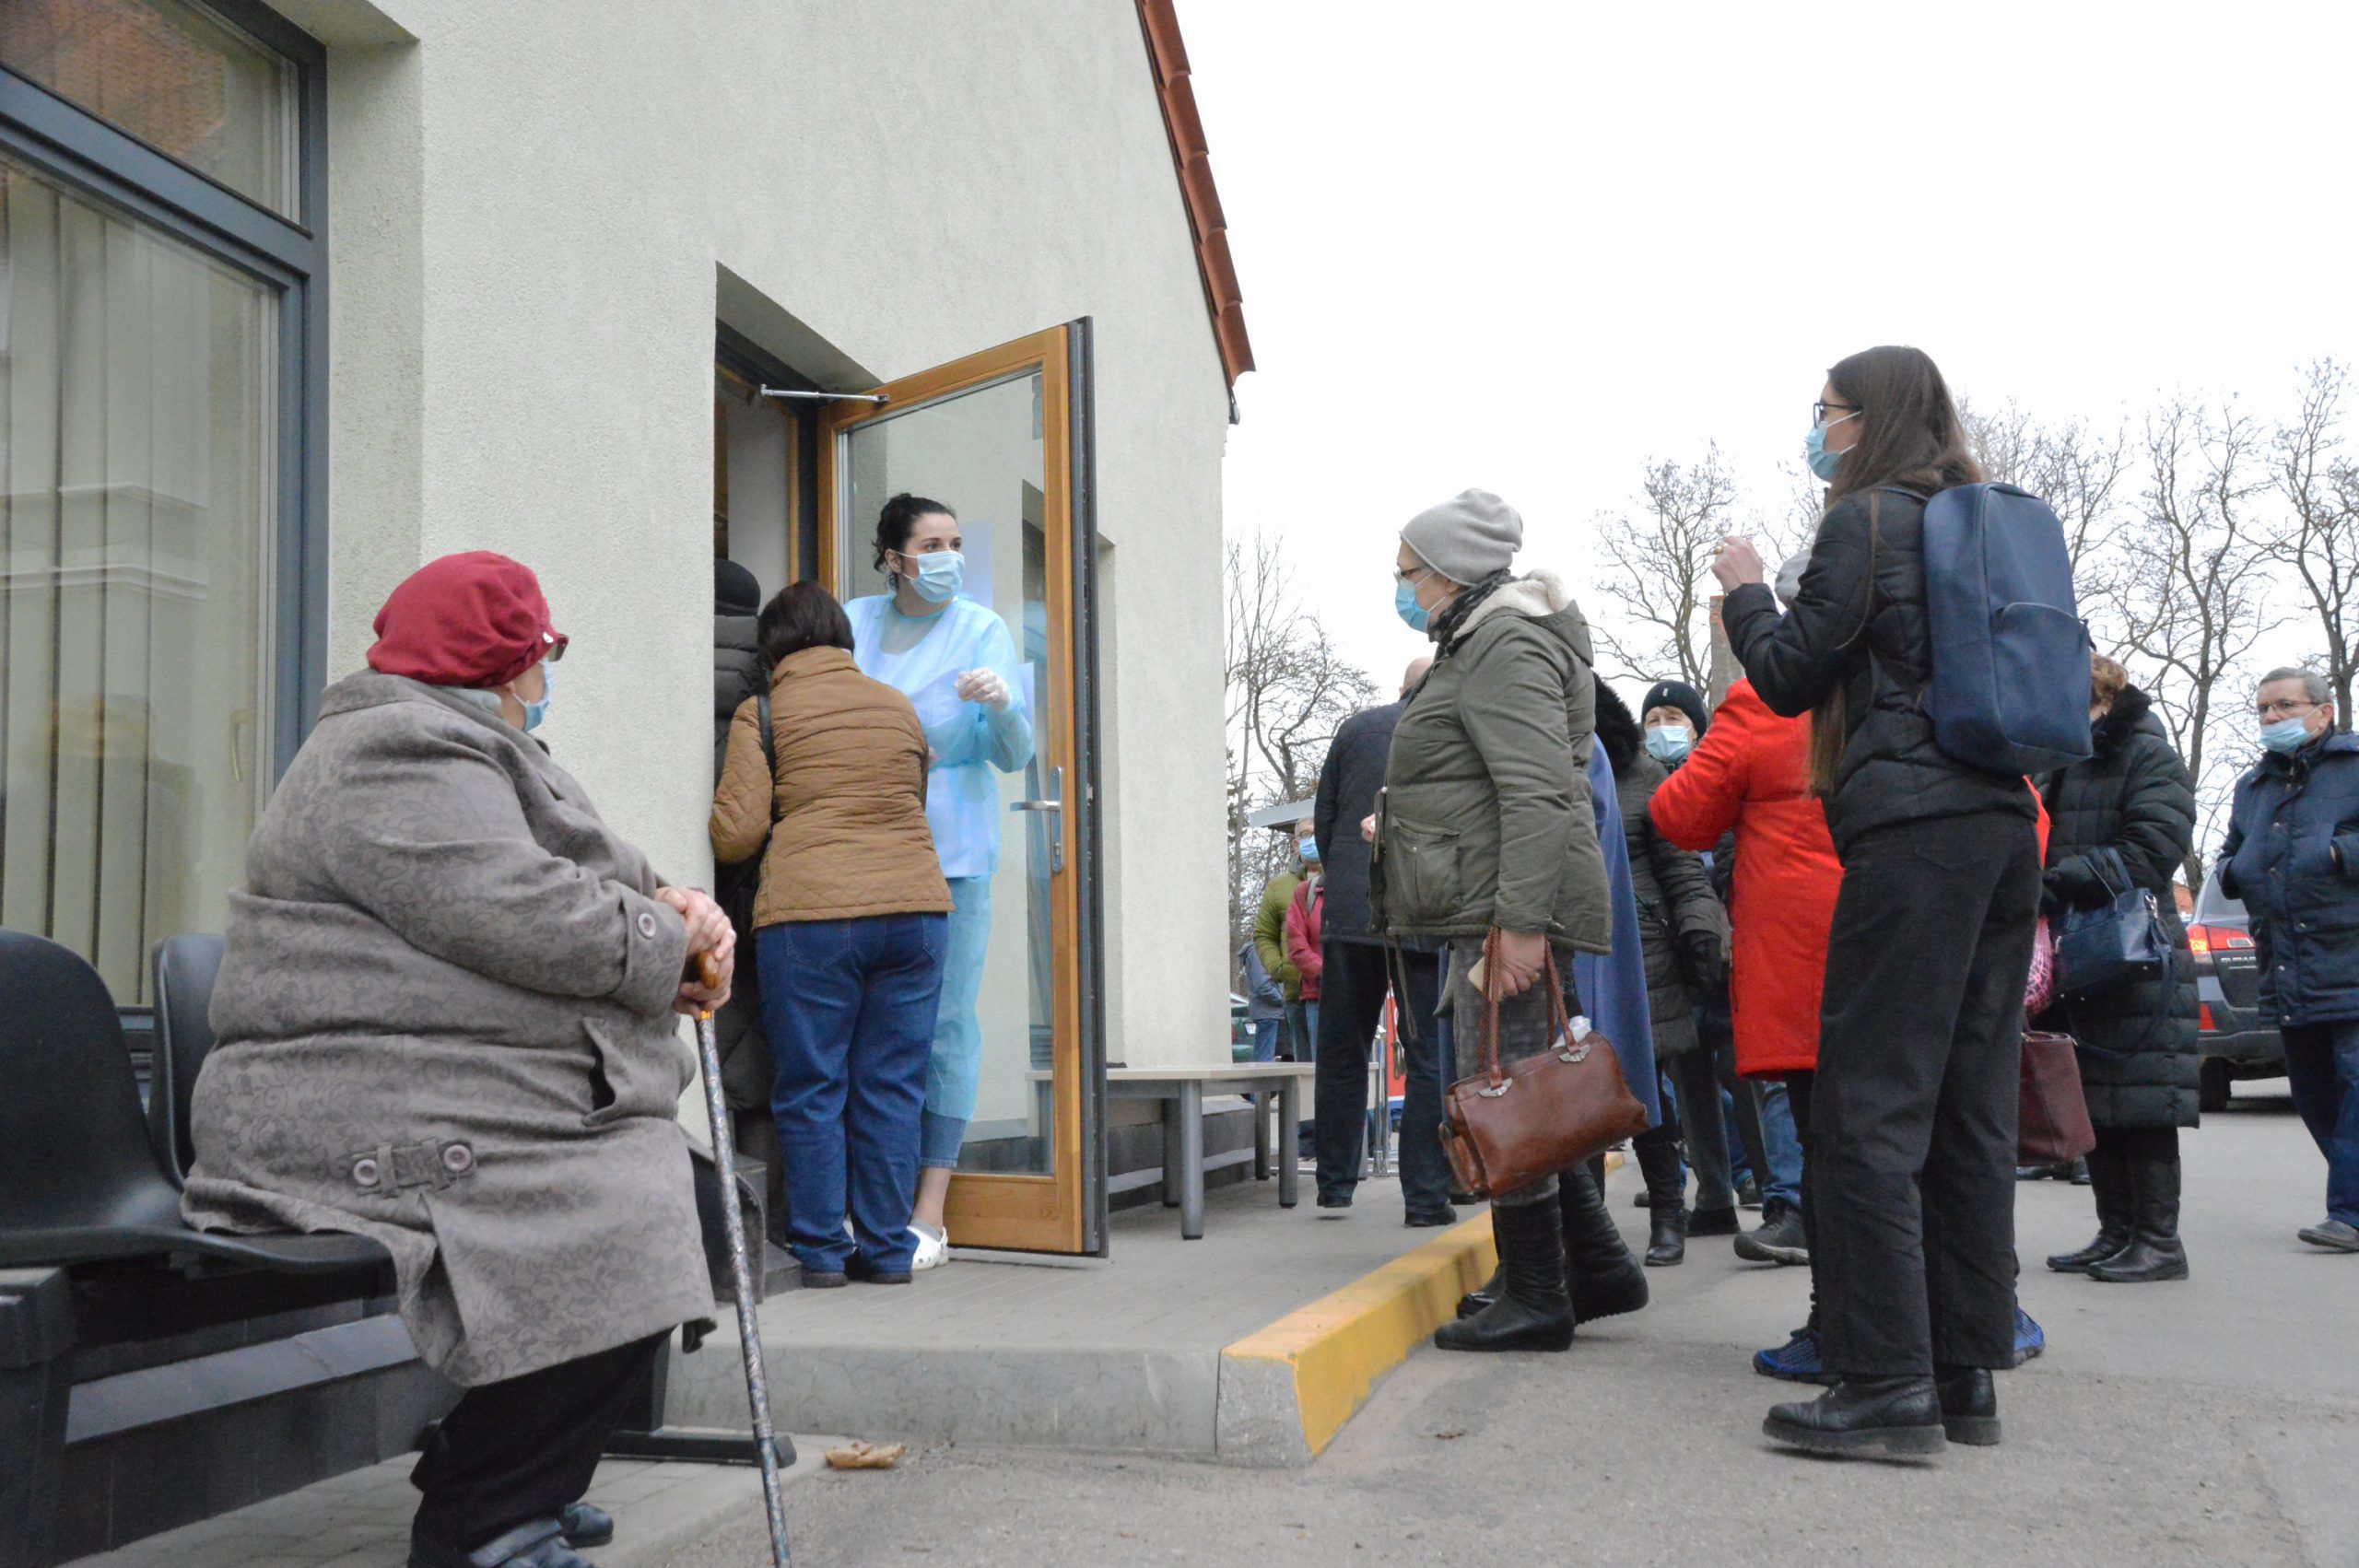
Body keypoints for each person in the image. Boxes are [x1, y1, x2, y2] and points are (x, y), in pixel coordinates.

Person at [182, 552, 732, 1568]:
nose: (545, 675)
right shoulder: (394, 749)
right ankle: (482, 1523)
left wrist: (678, 910)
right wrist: (668, 941)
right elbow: (517, 909)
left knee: (677, 1198)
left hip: (430, 1091)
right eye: (542, 654)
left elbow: (575, 876)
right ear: (507, 663)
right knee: (644, 1209)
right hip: (341, 1115)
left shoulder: (458, 744)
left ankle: (513, 1473)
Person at [1716, 345, 2041, 1457]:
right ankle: (1962, 1373)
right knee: (1965, 1111)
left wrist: (1745, 592)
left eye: (1826, 412)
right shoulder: (1974, 521)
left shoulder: (1864, 521)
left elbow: (1788, 674)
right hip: (2000, 824)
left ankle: (1885, 1383)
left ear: (1868, 417)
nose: (1818, 431)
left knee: (1864, 1108)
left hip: (1912, 829)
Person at [1377, 488, 1614, 1353]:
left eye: (1408, 572)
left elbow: (1539, 790)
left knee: (1504, 1094)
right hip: (1487, 898)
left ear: (1450, 572)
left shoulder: (1503, 641)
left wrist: (1519, 924)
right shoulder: (1482, 638)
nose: (1402, 588)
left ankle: (1540, 1295)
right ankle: (1593, 1266)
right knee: (1518, 1092)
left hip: (1503, 907)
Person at [711, 582, 954, 1286]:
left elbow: (736, 834)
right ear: (843, 640)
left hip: (812, 918)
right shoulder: (897, 706)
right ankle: (886, 1252)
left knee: (813, 1084)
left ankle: (820, 1251)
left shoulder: (764, 711)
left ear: (772, 650)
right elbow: (913, 801)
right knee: (893, 1087)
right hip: (915, 914)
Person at [845, 494, 1034, 1270]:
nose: (949, 557)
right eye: (932, 545)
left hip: (953, 857)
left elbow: (1016, 754)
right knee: (869, 1028)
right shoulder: (854, 622)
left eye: (956, 542)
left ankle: (930, 1212)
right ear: (893, 558)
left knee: (946, 1026)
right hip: (862, 846)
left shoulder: (981, 630)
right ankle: (867, 1204)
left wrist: (1004, 706)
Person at [1650, 626, 1844, 1381]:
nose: (1662, 728)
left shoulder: (1767, 701)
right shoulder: (1936, 680)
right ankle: (1973, 1324)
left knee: (1824, 1132)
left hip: (1801, 953)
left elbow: (1680, 815)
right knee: (1913, 1140)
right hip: (1912, 943)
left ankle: (1843, 1330)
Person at [2037, 653, 2201, 1282]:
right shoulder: (2056, 761)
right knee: (2094, 1100)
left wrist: (2055, 881)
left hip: (2137, 953)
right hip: (2076, 954)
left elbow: (2150, 851)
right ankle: (2115, 1233)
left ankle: (2159, 1242)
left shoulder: (2148, 755)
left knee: (2143, 1104)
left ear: (2102, 700)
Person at [1641, 676, 1791, 1240]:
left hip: (1724, 944)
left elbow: (1731, 853)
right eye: (1652, 722)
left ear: (1698, 726)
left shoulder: (1721, 770)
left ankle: (1774, 1189)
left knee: (1741, 1071)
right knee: (1689, 1077)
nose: (1662, 730)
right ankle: (1712, 1193)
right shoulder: (1643, 782)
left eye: (1673, 719)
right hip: (1671, 951)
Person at [2216, 667, 2359, 1254]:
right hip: (2287, 961)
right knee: (2314, 1094)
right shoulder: (2253, 787)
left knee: (2356, 1085)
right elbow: (2229, 854)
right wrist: (2235, 870)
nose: (2272, 717)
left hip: (2350, 954)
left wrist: (2336, 853)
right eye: (2263, 709)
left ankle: (2349, 1214)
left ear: (2324, 712)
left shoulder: (2354, 767)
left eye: (2284, 706)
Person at [1591, 684, 1731, 1267]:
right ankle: (1591, 1231)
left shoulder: (1643, 776)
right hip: (1575, 952)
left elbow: (1682, 870)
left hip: (1641, 953)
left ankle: (1669, 1215)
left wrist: (1700, 932)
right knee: (1579, 1099)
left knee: (1645, 1089)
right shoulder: (1548, 774)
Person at [1310, 657, 1452, 1223]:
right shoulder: (1450, 732)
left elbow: (1325, 816)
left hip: (1351, 909)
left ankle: (1334, 1185)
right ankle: (1425, 1198)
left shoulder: (1357, 728)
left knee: (1342, 1051)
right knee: (1426, 1055)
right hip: (1421, 911)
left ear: (1401, 688)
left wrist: (1347, 877)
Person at [711, 560, 778, 1188]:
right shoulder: (771, 690)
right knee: (761, 1052)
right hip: (764, 897)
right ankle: (768, 1208)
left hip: (693, 898)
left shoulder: (673, 673)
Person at [1284, 850, 1327, 1160]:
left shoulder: (1358, 886)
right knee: (1314, 1072)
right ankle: (1312, 1142)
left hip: (1356, 994)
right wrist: (1324, 973)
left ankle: (1359, 1142)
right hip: (1316, 994)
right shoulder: (1304, 893)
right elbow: (1294, 941)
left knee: (1359, 1071)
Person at [1253, 825, 1309, 1059]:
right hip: (1296, 993)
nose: (1313, 839)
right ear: (1295, 843)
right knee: (1304, 1067)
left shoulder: (1340, 878)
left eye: (1317, 833)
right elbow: (1263, 934)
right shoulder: (1278, 887)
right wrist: (1280, 968)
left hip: (1336, 992)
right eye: (1306, 834)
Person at [1239, 934, 1285, 1061]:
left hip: (1272, 1012)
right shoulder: (1258, 951)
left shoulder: (1264, 950)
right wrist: (1282, 999)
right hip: (1268, 1013)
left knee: (1268, 1058)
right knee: (1264, 1060)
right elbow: (1263, 985)